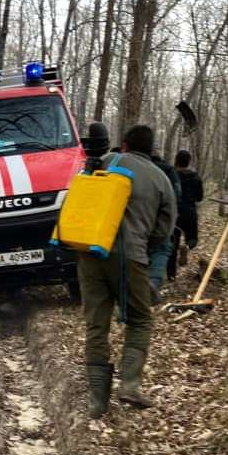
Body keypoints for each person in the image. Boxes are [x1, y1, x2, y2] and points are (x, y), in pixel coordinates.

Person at [78, 125, 177, 417]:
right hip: (131, 257)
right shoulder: (161, 179)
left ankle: (98, 402)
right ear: (151, 148)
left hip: (90, 251)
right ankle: (130, 384)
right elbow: (162, 235)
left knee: (96, 324)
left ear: (123, 144)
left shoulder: (103, 163)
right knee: (141, 319)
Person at [148, 154, 180, 304]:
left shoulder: (142, 168)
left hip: (139, 218)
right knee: (162, 248)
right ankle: (154, 282)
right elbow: (176, 193)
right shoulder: (168, 170)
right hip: (161, 217)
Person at [167, 150, 204, 280]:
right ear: (189, 162)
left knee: (172, 244)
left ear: (176, 160)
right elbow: (200, 197)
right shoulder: (195, 177)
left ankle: (171, 275)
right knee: (192, 239)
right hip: (190, 212)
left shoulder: (171, 175)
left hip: (174, 212)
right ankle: (187, 247)